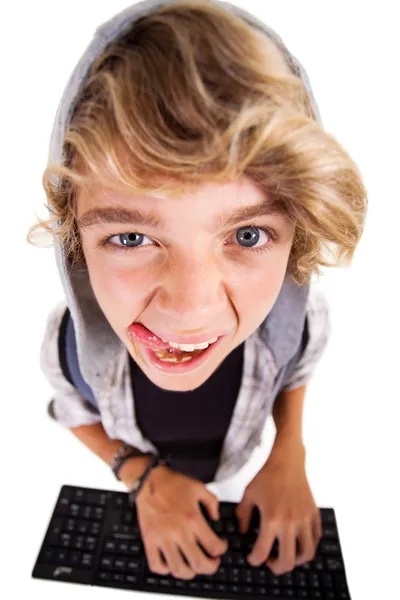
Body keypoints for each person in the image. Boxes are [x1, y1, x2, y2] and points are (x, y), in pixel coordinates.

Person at [27, 0, 367, 582]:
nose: (190, 311)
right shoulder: (67, 349)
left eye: (249, 233)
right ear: (75, 245)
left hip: (240, 470)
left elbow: (297, 367)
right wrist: (145, 479)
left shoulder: (299, 322)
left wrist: (290, 452)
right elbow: (70, 410)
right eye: (130, 235)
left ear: (298, 238)